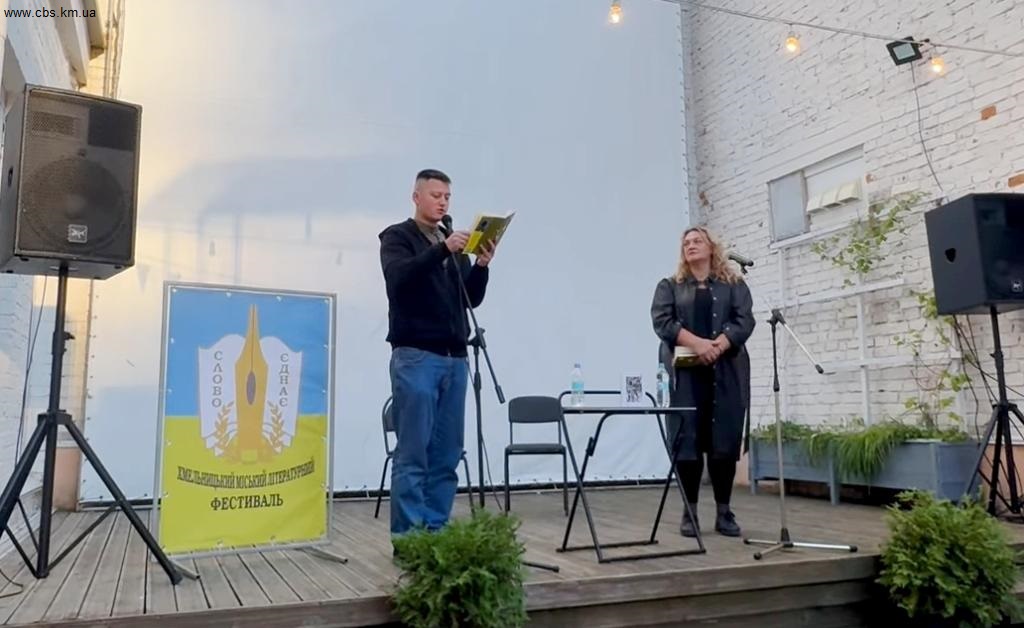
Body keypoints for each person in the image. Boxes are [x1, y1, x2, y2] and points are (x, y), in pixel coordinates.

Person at [378, 169, 497, 544]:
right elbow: (399, 279)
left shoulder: (452, 242)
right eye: (435, 195)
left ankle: (436, 532)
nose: (443, 202)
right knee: (413, 453)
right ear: (416, 197)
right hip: (417, 356)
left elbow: (469, 298)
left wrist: (481, 265)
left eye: (447, 196)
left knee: (447, 453)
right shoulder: (397, 237)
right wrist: (442, 250)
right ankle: (409, 540)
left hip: (454, 357)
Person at [650, 225, 754, 537]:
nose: (691, 245)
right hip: (685, 377)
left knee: (724, 443)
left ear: (711, 248)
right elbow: (663, 322)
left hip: (725, 374)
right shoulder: (670, 286)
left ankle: (724, 512)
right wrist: (698, 344)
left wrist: (718, 346)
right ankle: (690, 512)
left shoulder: (733, 285)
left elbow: (744, 320)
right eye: (686, 243)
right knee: (687, 443)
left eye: (697, 241)